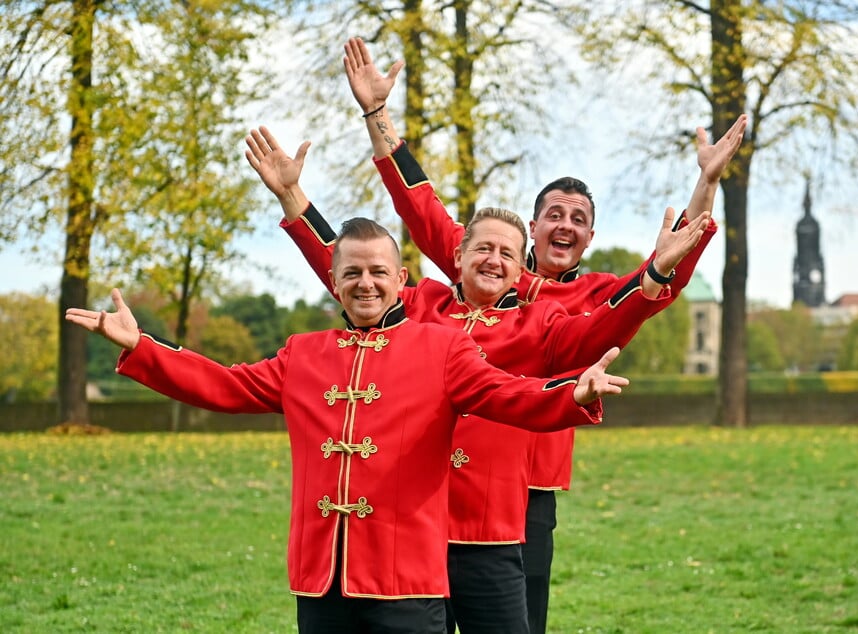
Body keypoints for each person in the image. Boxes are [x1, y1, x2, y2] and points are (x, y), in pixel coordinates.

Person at [337, 36, 748, 634]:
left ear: (588, 237)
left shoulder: (588, 299)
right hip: (435, 476)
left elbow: (664, 270)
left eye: (578, 219)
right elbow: (418, 203)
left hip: (526, 490)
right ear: (531, 226)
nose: (565, 224)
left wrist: (705, 186)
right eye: (554, 213)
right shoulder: (490, 262)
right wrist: (377, 115)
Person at [244, 125, 711, 633]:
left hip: (493, 524)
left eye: (506, 255)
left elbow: (617, 316)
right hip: (409, 527)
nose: (493, 260)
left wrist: (664, 262)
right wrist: (302, 189)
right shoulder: (420, 304)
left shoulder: (543, 319)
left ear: (520, 271)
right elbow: (358, 257)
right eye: (481, 249)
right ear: (457, 257)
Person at [64, 217, 628, 634]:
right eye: (352, 272)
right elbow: (223, 384)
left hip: (407, 582)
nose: (365, 283)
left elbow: (508, 395)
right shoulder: (303, 354)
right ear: (334, 281)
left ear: (400, 278)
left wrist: (570, 392)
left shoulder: (443, 347)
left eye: (378, 272)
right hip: (321, 580)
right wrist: (143, 347)